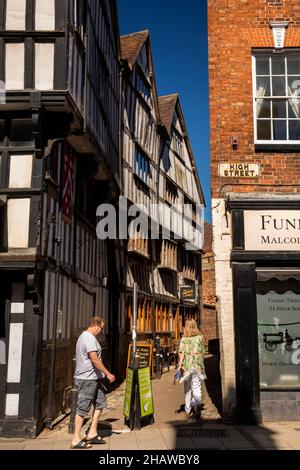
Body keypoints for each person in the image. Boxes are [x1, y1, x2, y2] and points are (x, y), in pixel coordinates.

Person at [71, 316, 115, 449]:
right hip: (87, 379)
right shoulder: (88, 338)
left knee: (101, 403)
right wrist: (108, 373)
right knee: (83, 408)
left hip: (95, 378)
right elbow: (94, 359)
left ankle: (92, 433)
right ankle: (76, 439)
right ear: (95, 325)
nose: (101, 331)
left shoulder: (86, 337)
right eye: (101, 328)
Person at [177, 319, 206, 421]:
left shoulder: (184, 338)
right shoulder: (200, 337)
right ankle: (197, 405)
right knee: (197, 387)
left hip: (187, 367)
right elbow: (203, 351)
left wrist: (179, 365)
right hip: (198, 366)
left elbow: (182, 353)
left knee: (187, 388)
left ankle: (187, 409)